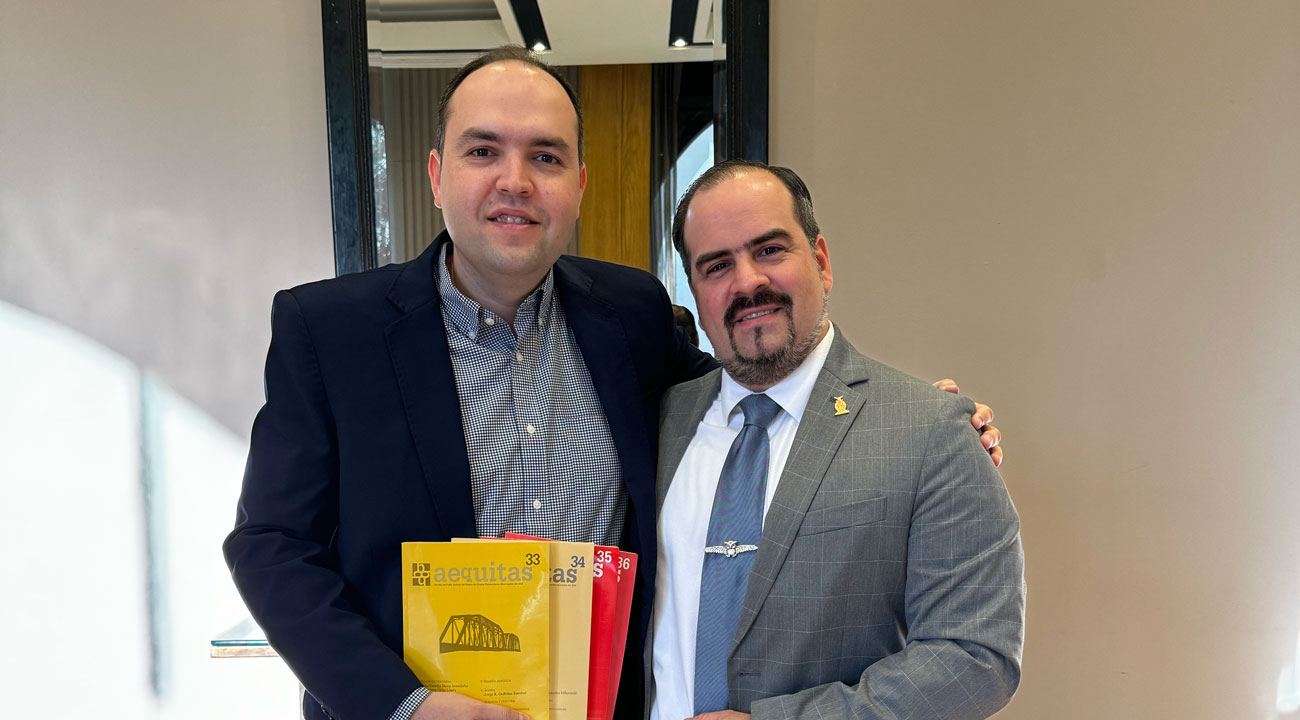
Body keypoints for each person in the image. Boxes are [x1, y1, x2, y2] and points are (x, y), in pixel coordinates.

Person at [223, 46, 1003, 720]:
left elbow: (741, 396)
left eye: (546, 157)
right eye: (483, 151)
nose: (515, 181)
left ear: (580, 184)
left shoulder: (629, 315)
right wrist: (403, 705)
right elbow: (270, 546)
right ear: (435, 174)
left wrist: (903, 420)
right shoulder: (330, 332)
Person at [651, 160, 1025, 720]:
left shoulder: (930, 430)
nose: (747, 282)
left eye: (770, 250)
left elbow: (975, 657)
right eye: (717, 265)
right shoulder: (660, 422)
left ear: (821, 262)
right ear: (696, 293)